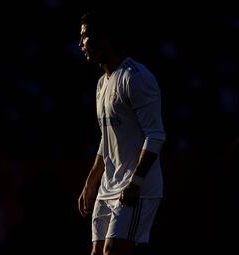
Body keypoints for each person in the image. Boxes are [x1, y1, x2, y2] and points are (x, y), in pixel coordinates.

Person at [77, 10, 166, 255]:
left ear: (102, 38)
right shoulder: (101, 84)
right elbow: (107, 139)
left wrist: (136, 181)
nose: (80, 44)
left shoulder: (136, 78)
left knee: (113, 250)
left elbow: (156, 135)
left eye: (84, 37)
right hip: (109, 185)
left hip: (135, 184)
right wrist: (91, 181)